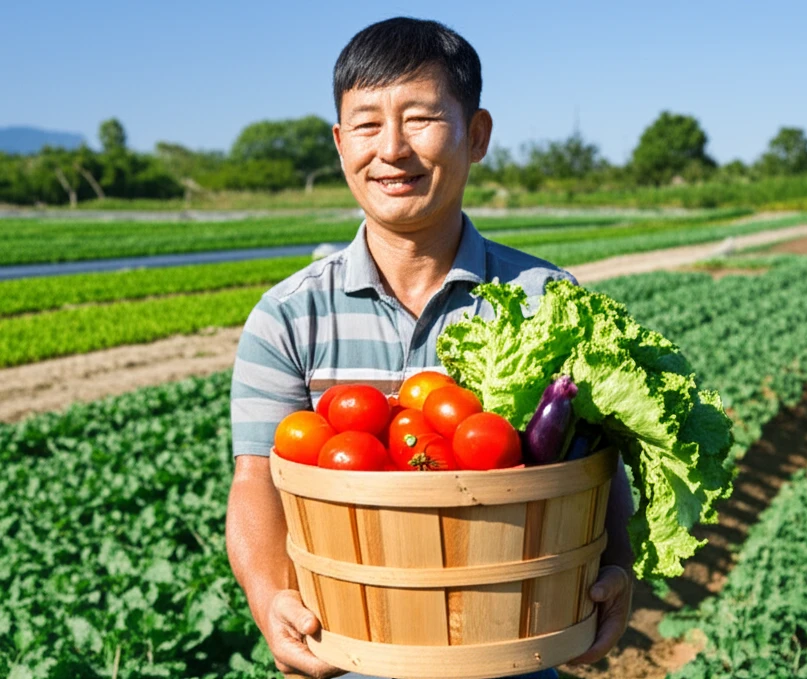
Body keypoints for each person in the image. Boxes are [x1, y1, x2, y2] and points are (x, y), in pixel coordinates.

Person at [225, 17, 634, 679]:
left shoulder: (547, 300)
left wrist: (618, 562)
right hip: (351, 650)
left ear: (476, 136)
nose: (391, 149)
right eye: (365, 124)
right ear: (338, 143)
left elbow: (596, 465)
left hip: (514, 652)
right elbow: (255, 482)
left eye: (420, 119)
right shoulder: (287, 315)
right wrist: (268, 596)